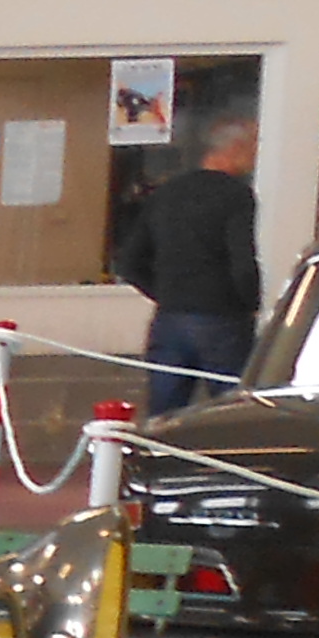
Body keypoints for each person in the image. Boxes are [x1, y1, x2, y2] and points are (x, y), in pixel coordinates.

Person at [114, 112, 265, 417]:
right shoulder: (235, 195)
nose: (254, 156)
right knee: (232, 411)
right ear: (234, 148)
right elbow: (242, 261)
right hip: (223, 319)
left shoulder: (167, 193)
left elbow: (129, 262)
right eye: (252, 147)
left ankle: (160, 449)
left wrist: (166, 293)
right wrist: (250, 303)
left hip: (170, 317)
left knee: (164, 414)